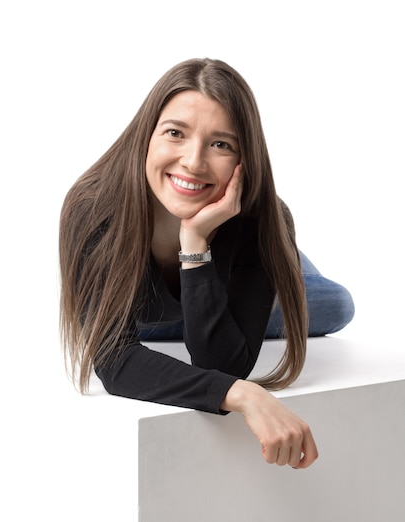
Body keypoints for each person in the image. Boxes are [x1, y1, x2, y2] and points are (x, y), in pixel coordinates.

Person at [59, 58, 354, 470]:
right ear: (147, 135)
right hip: (155, 310)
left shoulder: (262, 220)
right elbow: (115, 361)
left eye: (221, 144)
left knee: (337, 305)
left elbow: (221, 364)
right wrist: (245, 395)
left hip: (227, 278)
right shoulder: (94, 208)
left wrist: (195, 242)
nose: (193, 162)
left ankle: (290, 264)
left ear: (243, 158)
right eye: (175, 133)